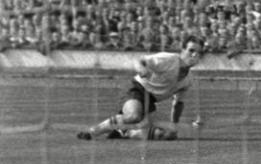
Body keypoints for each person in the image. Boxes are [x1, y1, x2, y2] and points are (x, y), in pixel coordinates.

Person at [77, 36, 205, 141]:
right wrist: (142, 69)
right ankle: (93, 132)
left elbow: (178, 104)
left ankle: (124, 132)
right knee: (134, 116)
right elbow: (139, 60)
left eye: (198, 53)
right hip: (136, 88)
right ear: (182, 50)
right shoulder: (168, 59)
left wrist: (174, 124)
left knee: (168, 135)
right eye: (191, 50)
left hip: (150, 102)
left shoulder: (188, 80)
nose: (194, 55)